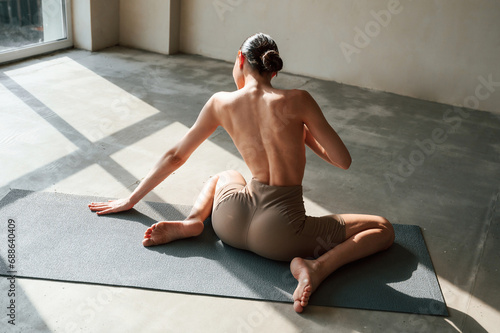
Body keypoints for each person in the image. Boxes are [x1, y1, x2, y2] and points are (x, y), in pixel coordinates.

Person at [88, 33, 395, 313]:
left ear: (240, 59)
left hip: (228, 222)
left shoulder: (220, 102)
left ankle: (194, 220)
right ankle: (316, 269)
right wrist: (304, 133)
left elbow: (176, 156)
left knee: (226, 175)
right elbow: (343, 160)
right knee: (382, 228)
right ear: (273, 70)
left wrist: (131, 199)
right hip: (282, 237)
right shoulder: (298, 100)